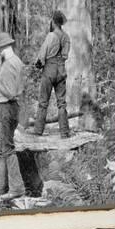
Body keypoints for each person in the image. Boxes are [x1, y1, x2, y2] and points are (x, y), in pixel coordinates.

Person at [0, 32, 43, 198]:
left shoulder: (10, 64)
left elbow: (11, 93)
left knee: (7, 148)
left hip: (5, 107)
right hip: (10, 108)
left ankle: (16, 189)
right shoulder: (16, 61)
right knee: (3, 146)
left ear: (1, 48)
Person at [33, 10, 71, 138]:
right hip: (61, 70)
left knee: (43, 102)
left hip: (49, 69)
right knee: (62, 102)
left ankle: (38, 131)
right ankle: (64, 132)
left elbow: (42, 54)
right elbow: (65, 56)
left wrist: (39, 63)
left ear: (54, 22)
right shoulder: (66, 37)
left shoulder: (50, 36)